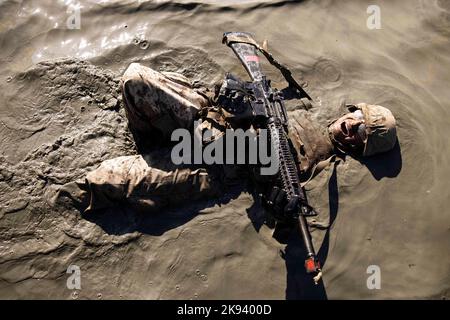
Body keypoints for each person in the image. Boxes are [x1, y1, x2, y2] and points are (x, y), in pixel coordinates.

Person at [53, 62, 397, 223]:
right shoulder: (308, 107)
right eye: (358, 117)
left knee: (103, 181)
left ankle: (53, 207)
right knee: (135, 79)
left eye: (362, 133)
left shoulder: (325, 168)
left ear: (360, 148)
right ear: (352, 110)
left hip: (213, 167)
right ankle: (151, 141)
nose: (352, 126)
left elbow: (281, 192)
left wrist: (282, 203)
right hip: (210, 118)